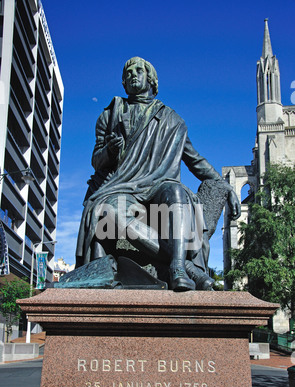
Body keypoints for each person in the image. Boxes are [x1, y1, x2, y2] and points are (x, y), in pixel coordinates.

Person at [75, 57, 240, 291]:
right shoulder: (110, 115)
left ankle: (177, 268)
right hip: (123, 187)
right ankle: (184, 265)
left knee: (176, 191)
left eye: (139, 70)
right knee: (109, 212)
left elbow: (195, 160)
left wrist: (227, 186)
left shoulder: (172, 120)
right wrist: (110, 152)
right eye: (128, 72)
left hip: (159, 185)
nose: (133, 75)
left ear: (150, 78)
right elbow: (96, 161)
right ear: (123, 82)